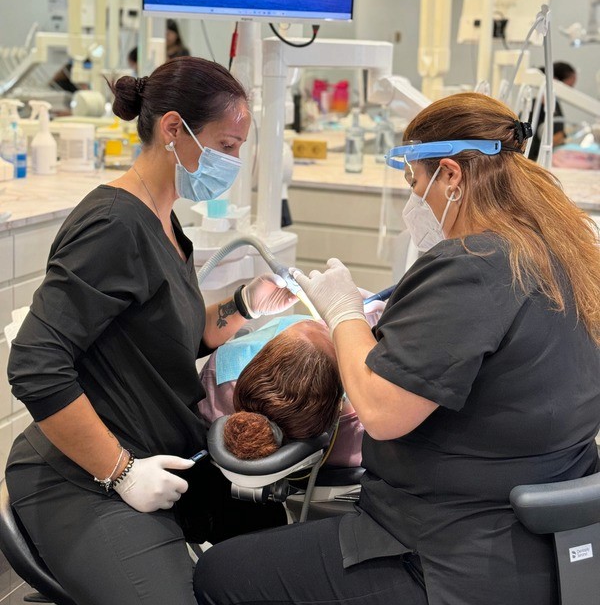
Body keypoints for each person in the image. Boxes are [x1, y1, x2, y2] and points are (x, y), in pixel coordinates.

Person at [195, 91, 600, 605]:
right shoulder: (557, 248)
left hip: (453, 555)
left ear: (451, 176)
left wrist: (343, 315)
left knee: (221, 575)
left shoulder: (473, 264)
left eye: (415, 183)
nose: (416, 201)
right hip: (545, 541)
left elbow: (382, 412)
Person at [5, 56, 298, 605]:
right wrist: (121, 473)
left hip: (161, 458)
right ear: (173, 130)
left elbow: (174, 337)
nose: (232, 162)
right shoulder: (113, 224)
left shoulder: (165, 220)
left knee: (274, 546)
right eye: (227, 146)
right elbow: (35, 366)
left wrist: (244, 305)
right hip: (80, 476)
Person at [198, 317, 364, 467]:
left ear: (259, 361)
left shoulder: (218, 373)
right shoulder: (357, 435)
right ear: (337, 399)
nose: (322, 324)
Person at [529, 60, 577, 160]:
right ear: (555, 81)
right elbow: (548, 140)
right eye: (570, 85)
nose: (572, 90)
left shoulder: (555, 106)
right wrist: (565, 134)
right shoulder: (535, 108)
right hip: (534, 159)